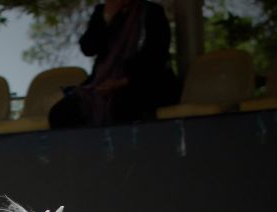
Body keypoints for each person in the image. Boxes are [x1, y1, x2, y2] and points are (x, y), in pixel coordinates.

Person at [48, 0, 179, 128]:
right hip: (101, 85)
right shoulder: (102, 12)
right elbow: (88, 48)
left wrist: (121, 82)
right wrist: (107, 17)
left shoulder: (152, 12)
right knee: (61, 113)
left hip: (144, 82)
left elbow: (155, 57)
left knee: (122, 104)